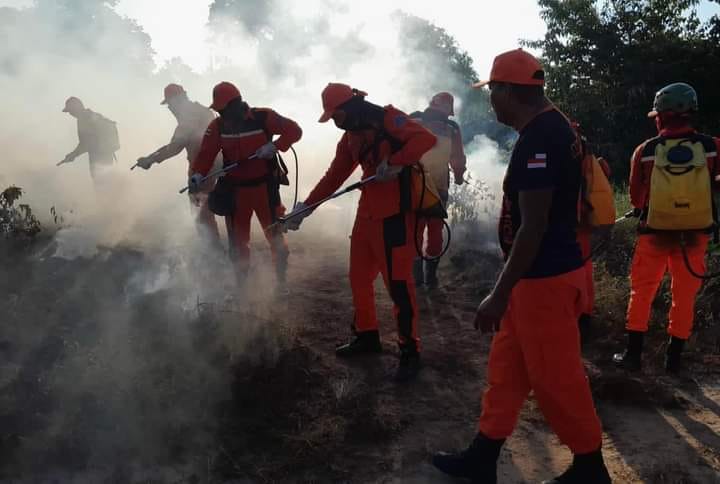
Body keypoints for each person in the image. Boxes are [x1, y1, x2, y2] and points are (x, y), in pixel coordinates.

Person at [432, 49, 611, 483]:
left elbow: (533, 227)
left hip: (543, 278)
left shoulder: (539, 140)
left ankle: (590, 467)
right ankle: (482, 456)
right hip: (538, 277)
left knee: (556, 377)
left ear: (509, 91)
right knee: (507, 370)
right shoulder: (556, 124)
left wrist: (499, 291)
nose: (490, 101)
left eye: (492, 91)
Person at [285, 83, 436, 381]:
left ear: (350, 108)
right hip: (366, 215)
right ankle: (367, 335)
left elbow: (425, 139)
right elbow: (335, 176)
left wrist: (394, 163)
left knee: (398, 286)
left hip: (395, 215)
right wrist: (306, 207)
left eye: (336, 115)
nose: (335, 122)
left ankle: (409, 350)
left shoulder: (389, 119)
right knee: (358, 278)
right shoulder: (350, 139)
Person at [613, 82, 720, 373]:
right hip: (695, 235)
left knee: (642, 292)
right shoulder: (713, 147)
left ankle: (633, 355)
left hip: (654, 234)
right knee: (684, 296)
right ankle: (673, 361)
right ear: (691, 113)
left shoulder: (645, 151)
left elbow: (636, 198)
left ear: (660, 116)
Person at [188, 81, 302, 286]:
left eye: (224, 109)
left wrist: (275, 146)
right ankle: (242, 287)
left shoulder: (263, 117)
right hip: (235, 191)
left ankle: (281, 282)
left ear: (236, 104)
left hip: (265, 189)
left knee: (275, 237)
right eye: (219, 110)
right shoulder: (217, 126)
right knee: (237, 244)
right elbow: (206, 154)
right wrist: (197, 174)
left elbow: (294, 131)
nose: (222, 114)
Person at [136, 84, 220, 244]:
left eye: (170, 104)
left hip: (200, 169)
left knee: (200, 211)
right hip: (218, 163)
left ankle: (212, 251)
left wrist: (150, 159)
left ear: (177, 101)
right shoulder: (204, 111)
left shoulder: (188, 119)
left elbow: (174, 147)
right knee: (214, 208)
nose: (170, 108)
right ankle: (226, 250)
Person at [409, 92, 466, 288]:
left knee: (416, 231)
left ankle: (418, 279)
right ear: (448, 110)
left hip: (417, 187)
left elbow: (457, 159)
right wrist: (459, 177)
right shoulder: (451, 128)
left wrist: (458, 175)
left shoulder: (415, 119)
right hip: (434, 188)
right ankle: (429, 278)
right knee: (434, 232)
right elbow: (458, 159)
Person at [59, 97, 120, 186]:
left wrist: (72, 155)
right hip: (106, 154)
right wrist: (73, 155)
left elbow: (86, 143)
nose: (70, 114)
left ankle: (106, 199)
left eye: (70, 111)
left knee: (101, 184)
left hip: (98, 156)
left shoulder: (84, 119)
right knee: (106, 184)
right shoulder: (92, 115)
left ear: (76, 109)